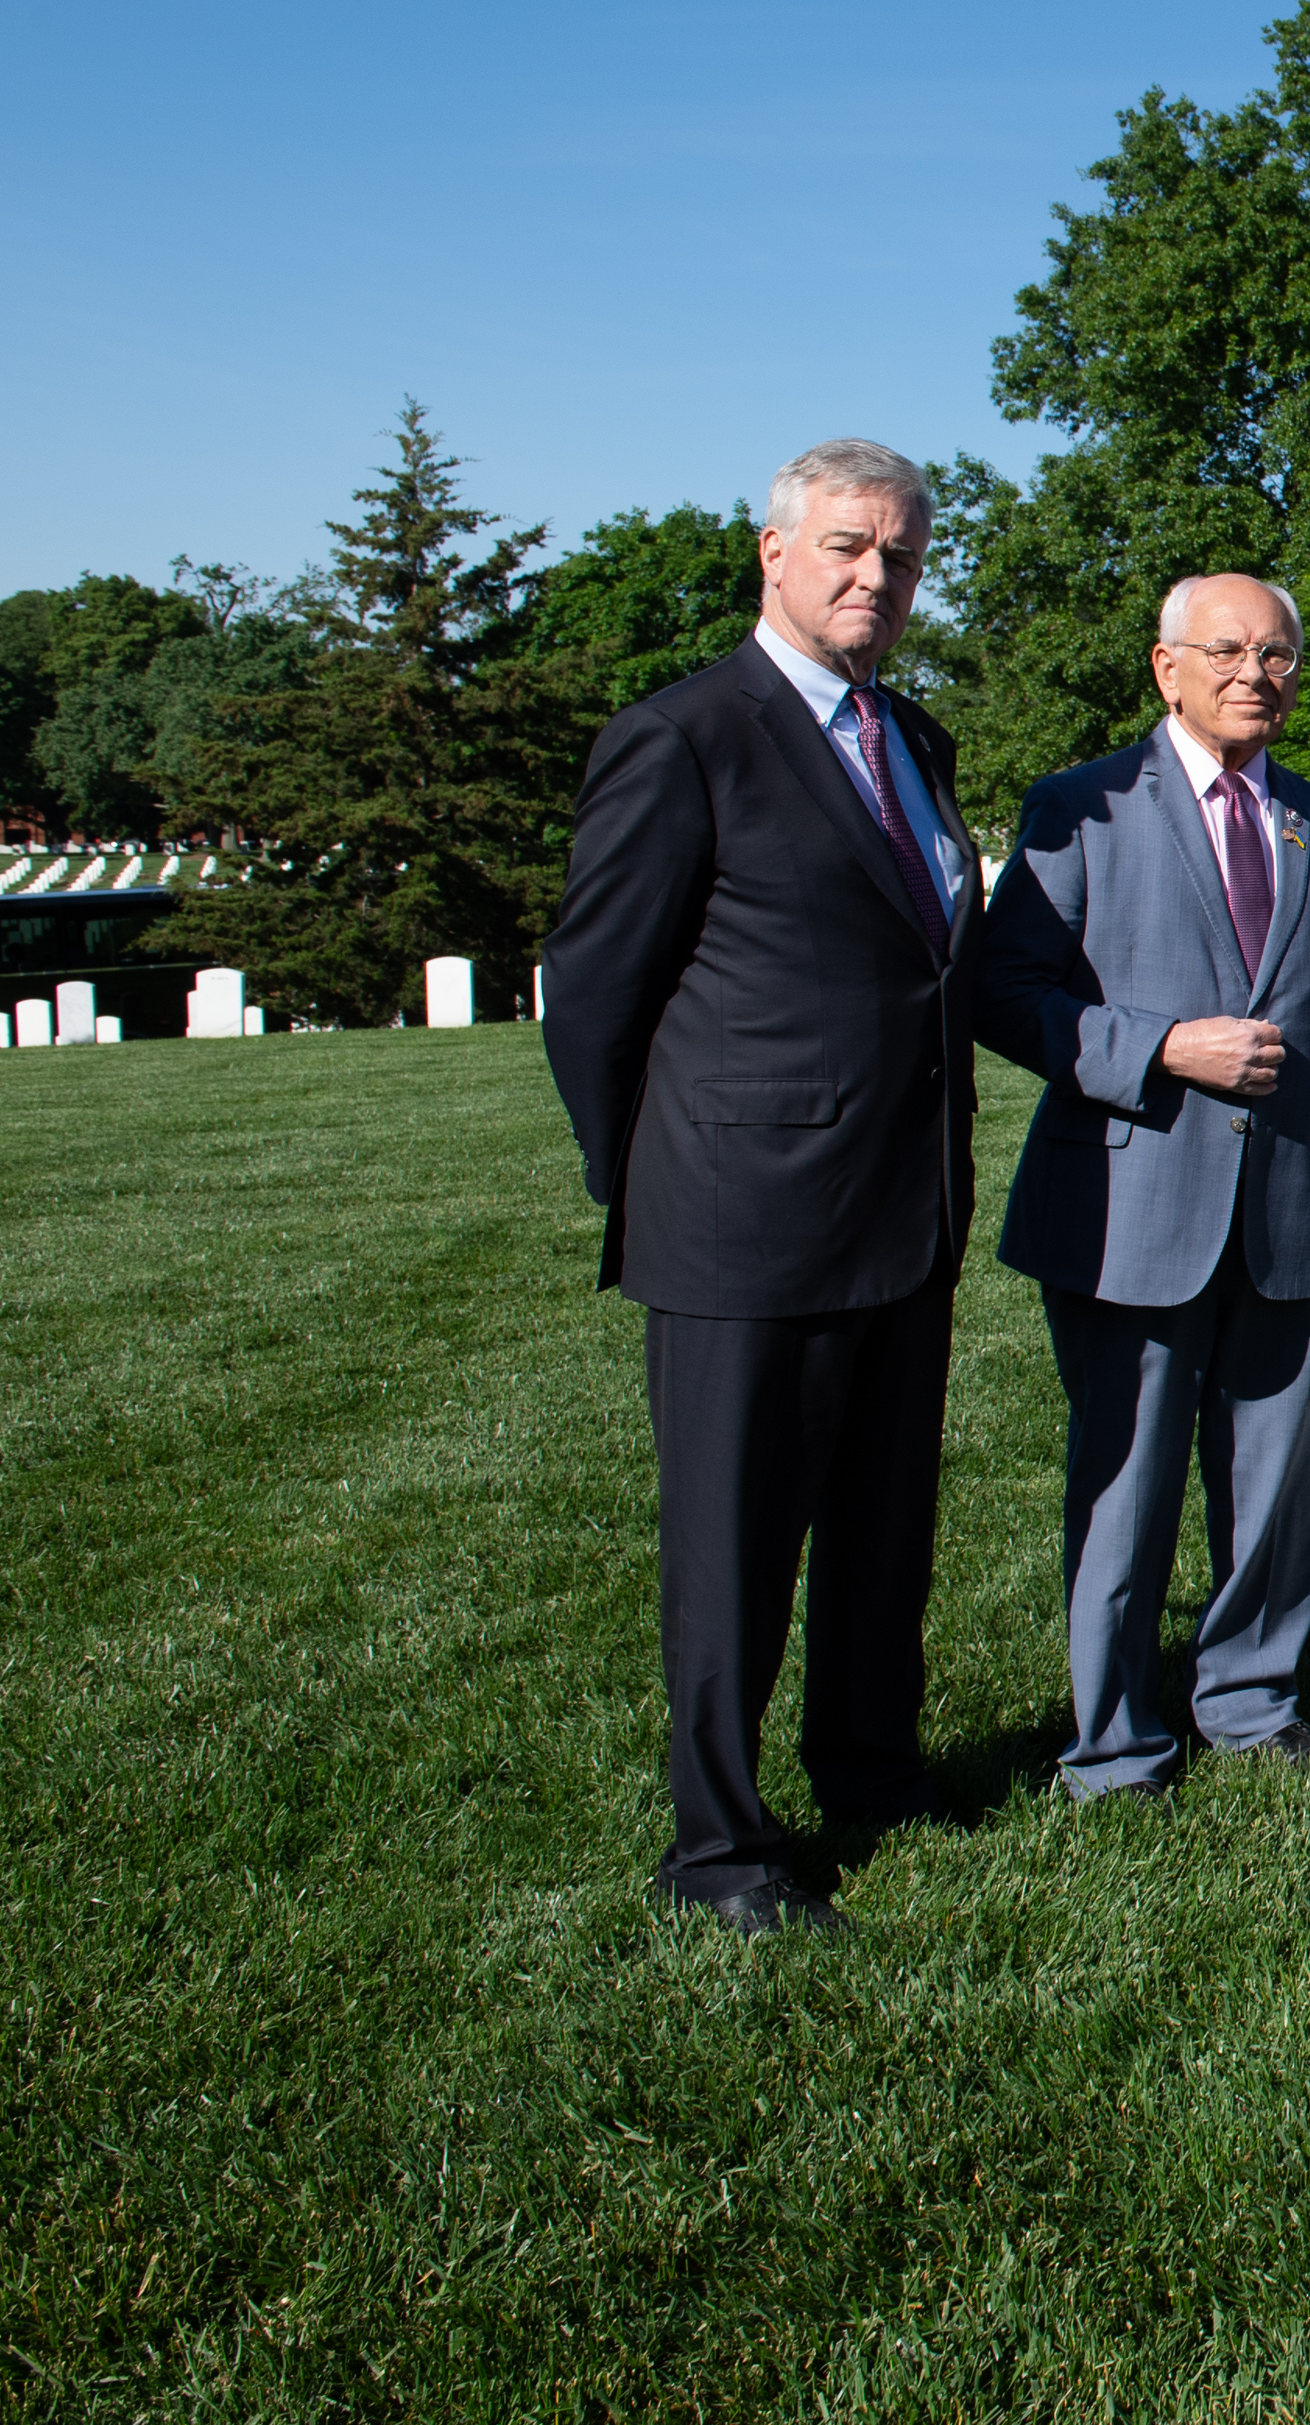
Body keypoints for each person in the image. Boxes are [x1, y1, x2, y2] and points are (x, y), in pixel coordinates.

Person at [540, 439, 978, 1937]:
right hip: (740, 1222)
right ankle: (717, 1847)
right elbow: (593, 996)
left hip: (902, 1210)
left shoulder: (912, 737)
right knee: (733, 1550)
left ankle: (867, 1763)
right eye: (850, 547)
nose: (876, 576)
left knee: (882, 1525)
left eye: (902, 555)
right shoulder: (687, 735)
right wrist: (659, 1177)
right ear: (774, 553)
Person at [974, 573, 1310, 1804]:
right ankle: (1114, 1742)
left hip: (1291, 1212)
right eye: (1228, 650)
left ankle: (1252, 1700)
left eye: (1277, 654)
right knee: (1127, 1486)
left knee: (1274, 1488)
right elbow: (1000, 995)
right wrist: (1155, 1046)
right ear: (1168, 667)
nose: (1255, 672)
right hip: (1130, 1209)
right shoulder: (1083, 810)